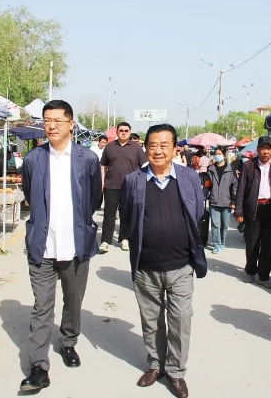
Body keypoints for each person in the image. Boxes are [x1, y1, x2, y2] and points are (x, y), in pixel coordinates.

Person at [19, 100, 102, 392]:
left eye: (57, 121)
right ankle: (38, 367)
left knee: (73, 301)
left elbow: (94, 198)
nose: (51, 126)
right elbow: (28, 192)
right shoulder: (33, 159)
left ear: (71, 124)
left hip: (76, 245)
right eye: (47, 121)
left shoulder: (87, 159)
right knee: (42, 307)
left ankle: (68, 342)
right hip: (42, 246)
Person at [120, 123, 207, 398]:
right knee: (151, 321)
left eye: (164, 145)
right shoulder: (133, 180)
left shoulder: (189, 177)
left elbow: (197, 212)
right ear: (145, 148)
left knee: (181, 320)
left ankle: (176, 372)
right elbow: (127, 216)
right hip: (146, 267)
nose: (157, 151)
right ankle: (156, 365)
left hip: (181, 265)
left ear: (174, 149)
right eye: (152, 145)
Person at [234, 135, 271, 289]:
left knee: (268, 244)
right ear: (257, 149)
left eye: (268, 148)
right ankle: (250, 271)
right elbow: (241, 190)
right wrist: (239, 210)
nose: (265, 151)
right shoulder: (249, 166)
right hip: (254, 209)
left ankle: (264, 276)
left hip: (270, 209)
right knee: (252, 242)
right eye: (263, 148)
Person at [99, 122, 147, 253]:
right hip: (111, 185)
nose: (123, 133)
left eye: (126, 130)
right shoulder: (109, 147)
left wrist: (141, 183)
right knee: (109, 214)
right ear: (117, 132)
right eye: (121, 130)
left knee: (126, 214)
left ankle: (125, 238)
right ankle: (105, 241)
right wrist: (102, 182)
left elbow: (144, 166)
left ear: (130, 132)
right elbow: (103, 165)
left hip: (130, 186)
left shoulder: (136, 147)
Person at [206, 147, 238, 253]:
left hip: (227, 202)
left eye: (219, 154)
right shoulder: (210, 169)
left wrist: (233, 200)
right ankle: (216, 244)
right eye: (216, 154)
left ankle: (222, 241)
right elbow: (207, 184)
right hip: (214, 201)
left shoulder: (231, 169)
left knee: (225, 225)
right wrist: (202, 194)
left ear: (224, 155)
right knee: (215, 224)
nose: (217, 156)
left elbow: (235, 185)